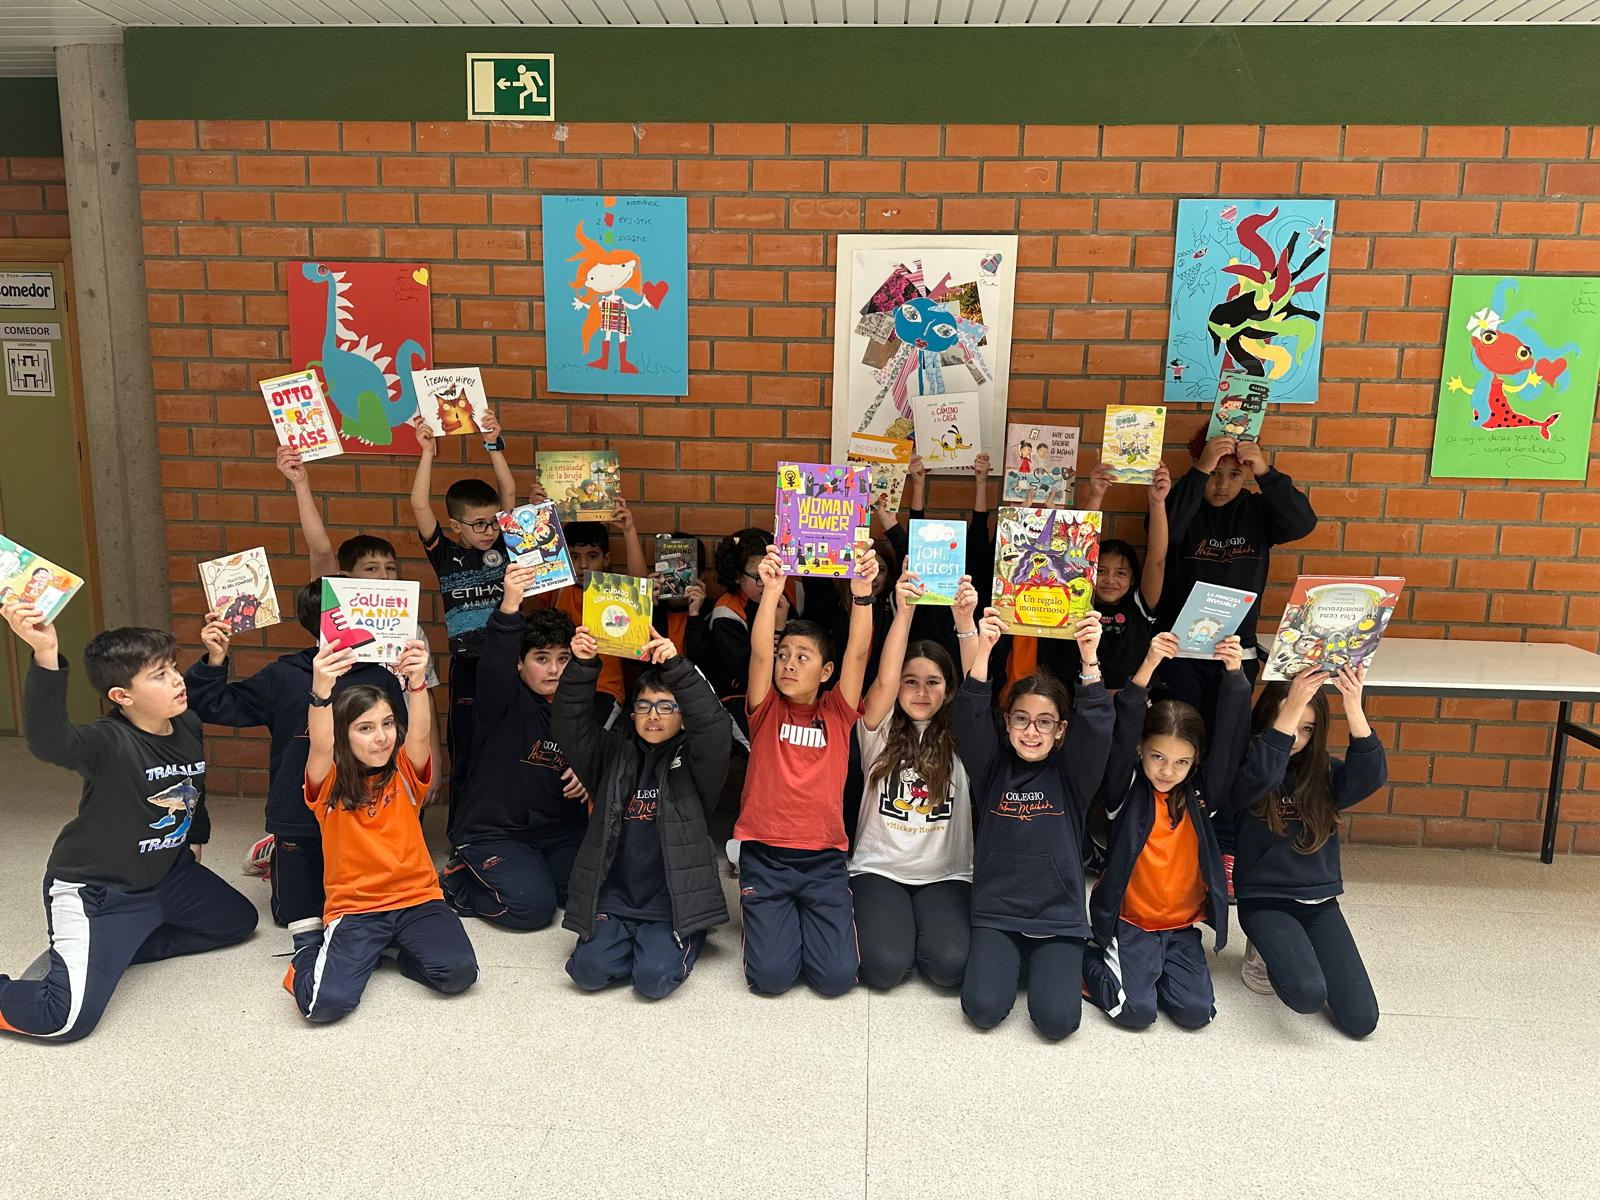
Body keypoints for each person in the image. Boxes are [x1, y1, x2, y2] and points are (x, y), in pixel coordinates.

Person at [0, 602, 257, 1042]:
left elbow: (191, 786)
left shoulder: (187, 723)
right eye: (159, 675)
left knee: (236, 921)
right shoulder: (107, 741)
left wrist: (193, 839)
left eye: (173, 667)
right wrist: (44, 653)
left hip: (166, 876)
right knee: (60, 1020)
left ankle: (119, 947)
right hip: (101, 890)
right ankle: (91, 950)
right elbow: (48, 740)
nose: (177, 679)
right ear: (122, 696)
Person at [186, 580, 409, 933]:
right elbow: (209, 705)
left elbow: (400, 744)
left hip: (362, 817)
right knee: (298, 919)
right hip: (299, 817)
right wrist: (215, 660)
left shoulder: (382, 678)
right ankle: (276, 852)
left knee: (360, 913)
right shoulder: (284, 675)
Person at [285, 638, 478, 1023]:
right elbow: (321, 744)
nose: (381, 737)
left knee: (458, 975)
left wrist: (418, 682)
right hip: (357, 909)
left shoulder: (406, 771)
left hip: (418, 900)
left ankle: (393, 950)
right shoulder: (328, 782)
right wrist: (321, 691)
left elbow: (420, 736)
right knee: (323, 1006)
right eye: (365, 728)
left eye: (388, 724)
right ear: (345, 735)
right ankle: (309, 944)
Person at [953, 605, 1113, 1041]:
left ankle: (1079, 960)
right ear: (1006, 723)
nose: (1031, 732)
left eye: (1045, 723)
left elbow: (1098, 727)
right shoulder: (992, 766)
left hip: (1057, 914)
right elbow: (968, 715)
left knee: (1058, 1023)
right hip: (997, 910)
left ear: (1061, 730)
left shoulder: (1073, 774)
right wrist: (984, 648)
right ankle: (1011, 961)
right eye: (1021, 719)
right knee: (983, 1011)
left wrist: (1089, 659)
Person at [1082, 632, 1250, 1030]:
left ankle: (1150, 971)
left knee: (1197, 1014)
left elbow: (1230, 742)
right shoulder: (1124, 790)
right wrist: (1148, 665)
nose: (1167, 771)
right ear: (1141, 751)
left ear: (1194, 763)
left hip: (1179, 929)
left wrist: (1234, 676)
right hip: (1131, 923)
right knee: (1134, 1012)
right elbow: (1123, 730)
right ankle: (1084, 956)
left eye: (1181, 762)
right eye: (1158, 756)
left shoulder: (1200, 796)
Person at [553, 622, 731, 999]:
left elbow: (715, 727)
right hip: (616, 900)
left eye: (667, 707)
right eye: (645, 706)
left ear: (682, 716)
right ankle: (630, 941)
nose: (654, 716)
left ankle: (685, 935)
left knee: (652, 980)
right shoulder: (612, 753)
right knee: (587, 973)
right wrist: (583, 665)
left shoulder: (698, 764)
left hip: (670, 903)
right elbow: (570, 727)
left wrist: (678, 669)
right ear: (631, 714)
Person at [735, 545, 879, 996]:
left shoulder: (837, 710)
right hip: (766, 856)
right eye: (786, 655)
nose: (788, 664)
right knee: (772, 978)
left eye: (803, 658)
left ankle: (799, 922)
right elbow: (759, 655)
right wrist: (772, 591)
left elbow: (858, 655)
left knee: (836, 980)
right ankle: (774, 922)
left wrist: (861, 596)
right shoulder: (765, 709)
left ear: (825, 671)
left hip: (823, 860)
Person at [1225, 666, 1387, 1039]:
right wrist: (1293, 702)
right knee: (1307, 995)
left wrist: (1353, 705)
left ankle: (1295, 946)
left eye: (1308, 728)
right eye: (1292, 722)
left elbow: (1370, 775)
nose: (1297, 737)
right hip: (1266, 901)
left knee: (1362, 1021)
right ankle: (1265, 947)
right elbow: (1263, 775)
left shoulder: (1323, 774)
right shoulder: (1248, 770)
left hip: (1319, 903)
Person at [440, 564, 588, 930]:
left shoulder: (579, 705)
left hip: (558, 834)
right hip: (495, 833)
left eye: (562, 659)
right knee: (530, 911)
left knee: (584, 896)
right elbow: (495, 659)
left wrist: (589, 775)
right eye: (541, 658)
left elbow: (601, 755)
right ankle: (460, 877)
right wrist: (510, 603)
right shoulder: (500, 700)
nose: (553, 669)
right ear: (519, 663)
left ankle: (534, 871)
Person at [848, 570, 975, 991]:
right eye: (911, 681)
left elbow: (980, 688)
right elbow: (883, 678)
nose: (921, 691)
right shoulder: (877, 729)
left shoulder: (965, 737)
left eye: (933, 682)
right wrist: (903, 612)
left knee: (950, 966)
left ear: (948, 689)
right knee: (884, 969)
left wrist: (964, 622)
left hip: (947, 874)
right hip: (878, 870)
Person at [408, 415, 517, 801]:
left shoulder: (507, 547)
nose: (489, 531)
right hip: (468, 662)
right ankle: (463, 829)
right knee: (467, 745)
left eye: (493, 523)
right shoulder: (446, 554)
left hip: (510, 659)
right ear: (456, 527)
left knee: (509, 741)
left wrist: (493, 445)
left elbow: (508, 491)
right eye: (479, 525)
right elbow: (419, 503)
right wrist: (426, 451)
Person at [525, 479, 648, 723]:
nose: (582, 565)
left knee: (589, 750)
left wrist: (629, 530)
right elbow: (528, 579)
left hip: (604, 690)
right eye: (574, 557)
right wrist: (535, 516)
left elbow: (640, 588)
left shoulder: (614, 589)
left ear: (606, 559)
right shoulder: (558, 586)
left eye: (592, 556)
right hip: (558, 686)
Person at [1045, 460, 1170, 693]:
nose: (1110, 580)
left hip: (1127, 705)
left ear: (1133, 579)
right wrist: (1095, 494)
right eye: (1101, 571)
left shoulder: (1139, 605)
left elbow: (1156, 560)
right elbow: (1079, 549)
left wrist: (1157, 502)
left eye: (1120, 573)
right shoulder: (1078, 596)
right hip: (1075, 703)